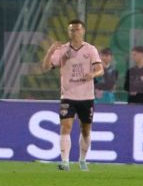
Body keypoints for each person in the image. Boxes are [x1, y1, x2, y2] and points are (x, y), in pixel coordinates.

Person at [41, 19, 104, 171]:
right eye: (72, 30)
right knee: (66, 126)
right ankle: (65, 162)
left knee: (85, 129)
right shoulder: (62, 50)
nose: (74, 32)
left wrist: (93, 74)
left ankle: (82, 160)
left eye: (77, 29)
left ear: (83, 31)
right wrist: (50, 51)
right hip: (68, 95)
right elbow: (46, 67)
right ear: (68, 32)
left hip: (86, 96)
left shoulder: (90, 50)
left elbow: (100, 69)